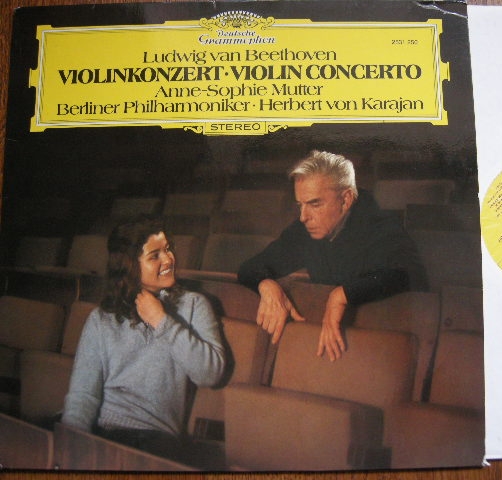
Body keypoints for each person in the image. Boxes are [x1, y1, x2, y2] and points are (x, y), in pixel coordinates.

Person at [62, 216, 226, 465]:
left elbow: (210, 373)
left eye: (168, 249)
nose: (168, 259)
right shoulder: (101, 318)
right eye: (155, 255)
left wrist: (162, 321)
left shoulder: (194, 305)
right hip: (101, 431)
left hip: (155, 439)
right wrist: (71, 446)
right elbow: (83, 395)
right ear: (130, 266)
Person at [238, 150, 428, 361]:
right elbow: (248, 268)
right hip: (329, 346)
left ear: (346, 199)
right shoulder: (304, 230)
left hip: (381, 347)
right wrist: (266, 284)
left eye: (315, 204)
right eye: (300, 205)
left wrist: (342, 295)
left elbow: (412, 274)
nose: (303, 217)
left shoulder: (382, 226)